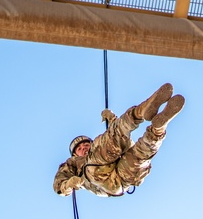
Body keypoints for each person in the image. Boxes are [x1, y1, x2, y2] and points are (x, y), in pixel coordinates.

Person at [54, 84, 184, 197]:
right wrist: (68, 184)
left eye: (86, 145)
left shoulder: (100, 148)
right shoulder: (73, 163)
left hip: (123, 177)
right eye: (80, 149)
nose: (84, 148)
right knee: (108, 142)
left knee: (140, 153)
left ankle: (156, 125)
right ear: (75, 154)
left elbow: (115, 135)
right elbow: (58, 185)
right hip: (100, 176)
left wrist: (111, 118)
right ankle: (144, 112)